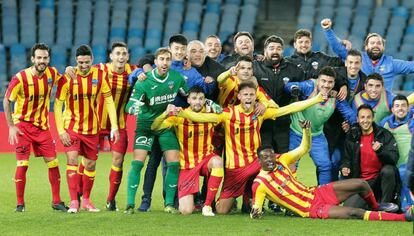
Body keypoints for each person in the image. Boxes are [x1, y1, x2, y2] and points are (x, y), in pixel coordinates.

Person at [179, 80, 326, 214]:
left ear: (256, 96)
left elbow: (287, 109)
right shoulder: (229, 113)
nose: (248, 97)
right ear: (239, 97)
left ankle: (293, 201)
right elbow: (203, 117)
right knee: (222, 210)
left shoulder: (259, 113)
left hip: (256, 163)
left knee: (280, 164)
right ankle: (243, 199)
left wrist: (316, 99)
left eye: (251, 94)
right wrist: (183, 112)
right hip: (234, 169)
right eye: (245, 94)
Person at [251, 120, 411, 222]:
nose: (270, 159)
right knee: (355, 212)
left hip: (317, 193)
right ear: (259, 161)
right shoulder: (260, 183)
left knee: (361, 184)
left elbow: (304, 148)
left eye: (271, 155)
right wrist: (255, 213)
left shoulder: (281, 159)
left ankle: (376, 206)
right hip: (310, 209)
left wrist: (307, 131)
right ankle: (403, 218)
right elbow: (256, 208)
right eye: (265, 158)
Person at [54, 44, 120, 213]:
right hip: (72, 128)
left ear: (92, 60)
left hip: (92, 129)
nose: (83, 66)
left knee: (90, 165)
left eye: (87, 62)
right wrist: (61, 130)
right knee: (72, 161)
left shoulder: (100, 75)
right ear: (76, 61)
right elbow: (58, 105)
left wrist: (114, 126)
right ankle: (74, 201)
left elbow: (109, 100)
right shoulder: (67, 77)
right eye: (80, 62)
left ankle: (86, 200)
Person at [3, 43, 67, 212]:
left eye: (45, 58)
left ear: (49, 59)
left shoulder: (52, 73)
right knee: (22, 164)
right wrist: (11, 126)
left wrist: (69, 69)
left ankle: (56, 201)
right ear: (32, 59)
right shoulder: (21, 78)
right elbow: (6, 100)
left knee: (53, 162)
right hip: (23, 126)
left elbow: (65, 79)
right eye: (39, 58)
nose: (42, 61)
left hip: (43, 127)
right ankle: (20, 204)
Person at [124, 47, 188, 214]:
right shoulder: (144, 81)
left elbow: (188, 95)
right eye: (161, 59)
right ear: (156, 62)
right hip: (145, 126)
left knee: (174, 163)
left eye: (168, 59)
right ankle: (130, 204)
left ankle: (168, 204)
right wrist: (134, 109)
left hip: (164, 125)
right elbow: (129, 105)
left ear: (171, 61)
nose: (165, 63)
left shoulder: (177, 78)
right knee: (138, 163)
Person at [151, 86, 224, 216]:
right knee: (185, 211)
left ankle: (207, 205)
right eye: (194, 98)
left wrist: (184, 113)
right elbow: (155, 127)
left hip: (206, 159)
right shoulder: (178, 117)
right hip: (187, 164)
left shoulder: (211, 114)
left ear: (205, 100)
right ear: (188, 100)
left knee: (218, 162)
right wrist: (165, 114)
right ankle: (194, 200)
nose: (198, 102)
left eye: (201, 99)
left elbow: (213, 118)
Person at [285, 66, 356, 185]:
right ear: (318, 80)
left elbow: (350, 114)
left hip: (316, 135)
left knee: (325, 166)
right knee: (291, 165)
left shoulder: (335, 96)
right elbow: (289, 85)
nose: (326, 85)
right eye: (323, 81)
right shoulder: (309, 86)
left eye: (330, 82)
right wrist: (294, 89)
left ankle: (323, 198)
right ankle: (289, 196)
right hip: (297, 132)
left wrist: (354, 124)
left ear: (334, 83)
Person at [321, 18, 414, 91]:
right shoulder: (357, 58)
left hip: (383, 108)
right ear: (366, 46)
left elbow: (411, 66)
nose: (375, 46)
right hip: (360, 107)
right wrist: (327, 30)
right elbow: (338, 48)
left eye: (379, 43)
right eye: (372, 43)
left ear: (383, 47)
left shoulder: (391, 63)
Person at [97, 42, 136, 211]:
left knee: (118, 161)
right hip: (95, 124)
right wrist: (70, 68)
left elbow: (150, 67)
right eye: (117, 53)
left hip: (119, 125)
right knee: (88, 161)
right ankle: (80, 195)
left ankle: (110, 200)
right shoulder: (99, 70)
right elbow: (79, 72)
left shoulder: (134, 71)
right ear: (111, 56)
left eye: (124, 54)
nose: (121, 57)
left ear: (127, 57)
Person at [341, 104, 400, 210]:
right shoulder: (352, 137)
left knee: (389, 170)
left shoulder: (384, 134)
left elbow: (394, 158)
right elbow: (346, 159)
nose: (365, 120)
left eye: (368, 117)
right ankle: (373, 203)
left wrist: (380, 151)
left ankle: (385, 205)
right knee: (349, 208)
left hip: (379, 181)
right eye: (362, 117)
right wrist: (345, 167)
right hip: (362, 184)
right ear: (358, 119)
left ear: (373, 118)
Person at [324, 49, 367, 180]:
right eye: (351, 62)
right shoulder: (334, 75)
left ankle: (344, 191)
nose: (353, 66)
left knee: (349, 163)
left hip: (353, 128)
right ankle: (328, 190)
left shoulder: (365, 81)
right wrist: (342, 84)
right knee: (330, 162)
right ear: (346, 63)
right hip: (332, 126)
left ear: (361, 64)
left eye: (356, 63)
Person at [379, 95, 414, 209]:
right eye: (397, 106)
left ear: (408, 108)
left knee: (404, 173)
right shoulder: (385, 123)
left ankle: (408, 206)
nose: (400, 108)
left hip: (407, 165)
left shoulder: (412, 122)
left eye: (404, 105)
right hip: (391, 164)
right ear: (392, 109)